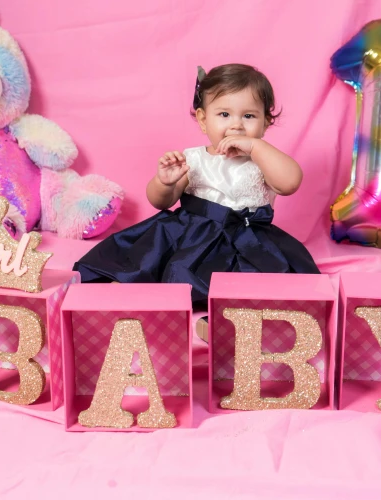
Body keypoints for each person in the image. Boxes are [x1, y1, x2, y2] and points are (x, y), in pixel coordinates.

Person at [73, 63, 320, 333]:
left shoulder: (264, 159)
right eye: (224, 114)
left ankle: (223, 323)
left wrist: (257, 147)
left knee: (253, 280)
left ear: (265, 123)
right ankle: (121, 297)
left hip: (245, 238)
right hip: (190, 235)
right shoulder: (193, 158)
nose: (236, 124)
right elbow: (160, 202)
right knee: (155, 264)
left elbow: (289, 182)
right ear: (203, 120)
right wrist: (164, 182)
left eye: (249, 116)